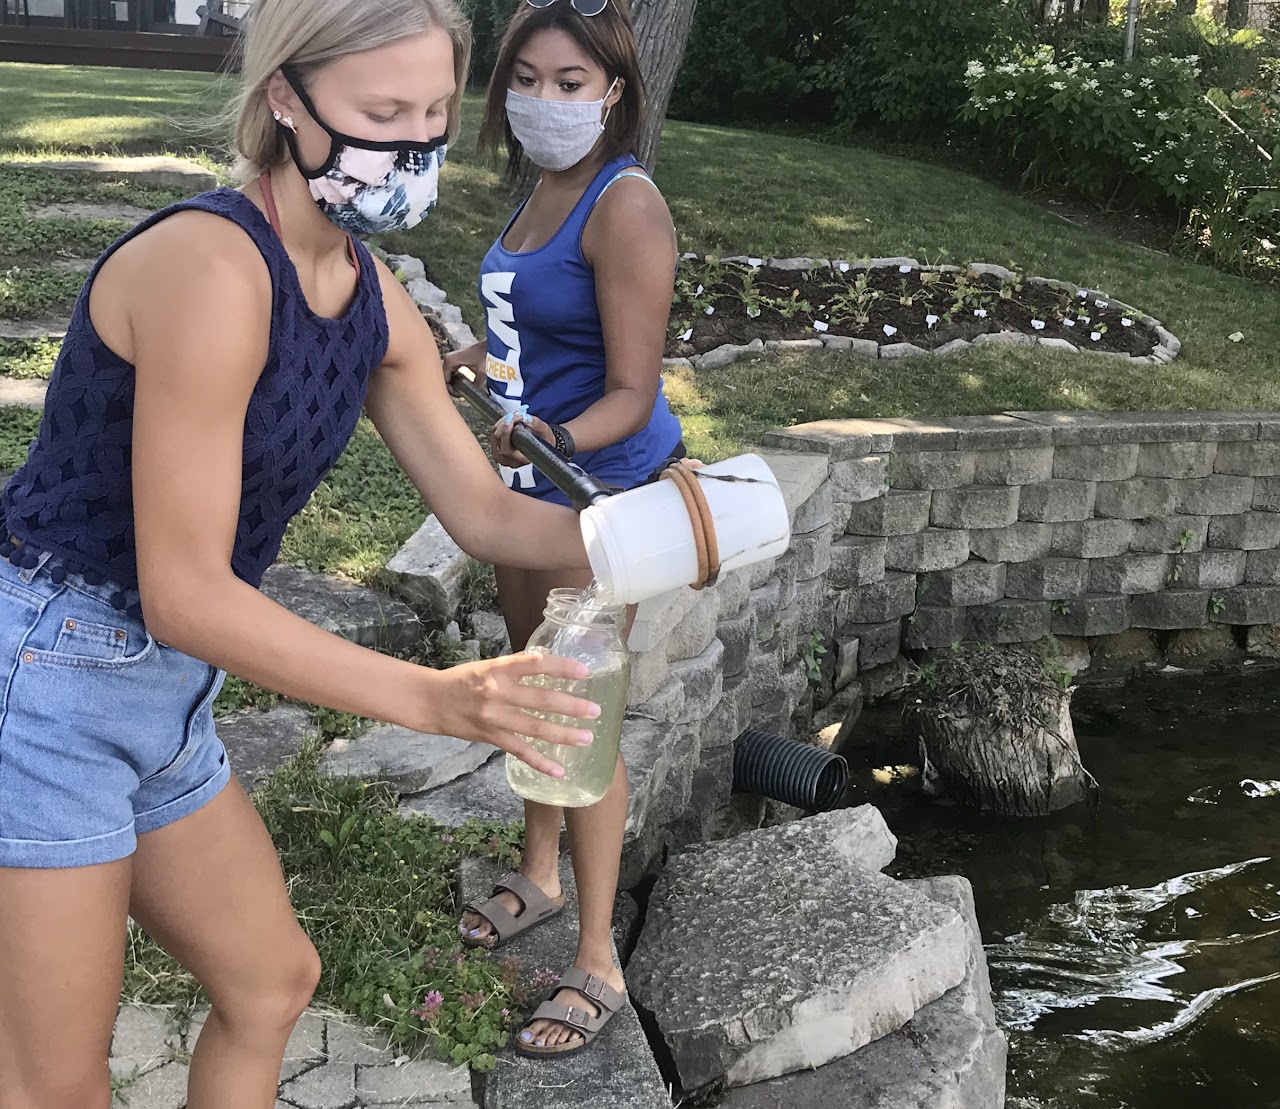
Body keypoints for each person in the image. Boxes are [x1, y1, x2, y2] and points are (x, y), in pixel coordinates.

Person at [0, 2, 609, 1107]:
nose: (413, 144)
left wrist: (674, 532)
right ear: (286, 96)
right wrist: (434, 698)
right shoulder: (212, 267)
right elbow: (186, 592)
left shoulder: (369, 295)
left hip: (159, 688)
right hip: (44, 677)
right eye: (383, 111)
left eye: (433, 112)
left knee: (271, 982)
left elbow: (487, 515)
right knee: (55, 1086)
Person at [445, 0, 682, 1060]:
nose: (544, 101)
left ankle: (598, 956)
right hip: (527, 487)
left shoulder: (623, 204)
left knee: (581, 715)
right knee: (533, 681)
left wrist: (552, 435)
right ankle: (539, 874)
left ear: (613, 93)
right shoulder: (540, 187)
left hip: (596, 494)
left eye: (570, 83)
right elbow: (533, 340)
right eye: (527, 81)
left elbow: (632, 391)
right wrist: (480, 371)